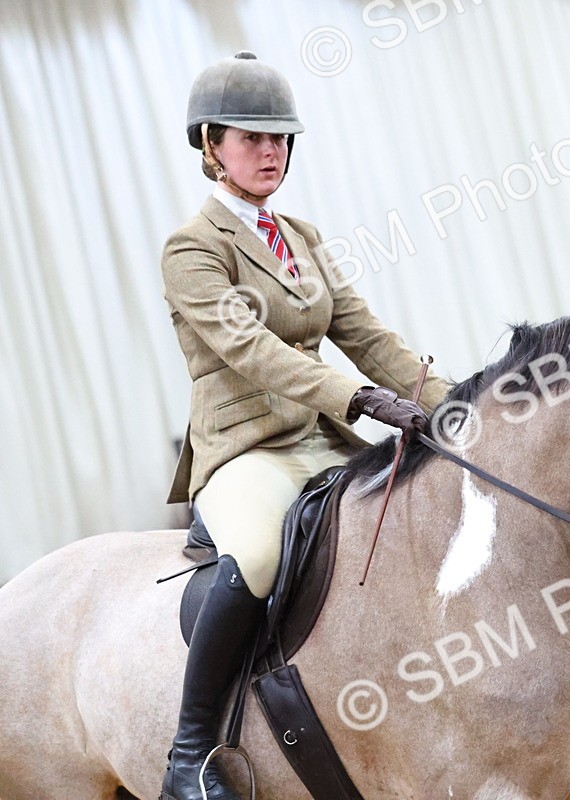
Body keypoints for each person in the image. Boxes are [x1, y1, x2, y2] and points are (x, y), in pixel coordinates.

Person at [159, 51, 449, 800]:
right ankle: (190, 753)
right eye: (251, 137)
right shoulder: (192, 249)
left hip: (324, 442)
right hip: (246, 450)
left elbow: (368, 336)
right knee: (256, 554)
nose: (269, 151)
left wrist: (462, 400)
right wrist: (357, 398)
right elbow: (250, 351)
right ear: (210, 146)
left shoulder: (304, 237)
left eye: (280, 138)